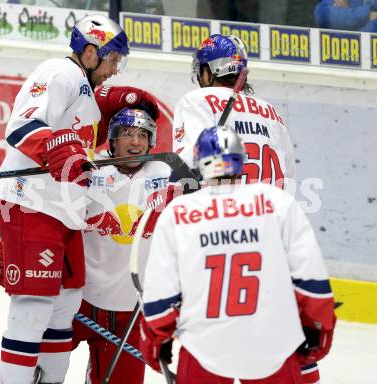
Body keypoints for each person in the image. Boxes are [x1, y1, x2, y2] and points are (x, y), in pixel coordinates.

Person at [0, 14, 158, 384]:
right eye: (112, 60)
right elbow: (23, 125)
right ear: (90, 52)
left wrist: (76, 160)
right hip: (32, 203)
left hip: (63, 213)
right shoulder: (58, 72)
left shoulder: (85, 95)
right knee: (34, 305)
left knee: (65, 306)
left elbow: (73, 153)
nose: (115, 69)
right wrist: (55, 150)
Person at [140, 126, 336, 384]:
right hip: (272, 346)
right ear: (241, 159)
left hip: (203, 348)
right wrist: (318, 329)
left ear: (199, 162)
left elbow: (160, 296)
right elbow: (311, 282)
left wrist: (157, 339)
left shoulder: (178, 212)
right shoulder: (277, 202)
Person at [71, 107, 171, 384]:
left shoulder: (167, 173)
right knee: (38, 367)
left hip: (131, 310)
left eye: (142, 135)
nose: (135, 142)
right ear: (112, 140)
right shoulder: (88, 170)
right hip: (76, 300)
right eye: (127, 134)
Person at [172, 34, 295, 194]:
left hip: (222, 210)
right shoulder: (271, 112)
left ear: (208, 73)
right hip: (269, 212)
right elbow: (289, 175)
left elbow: (187, 166)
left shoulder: (196, 101)